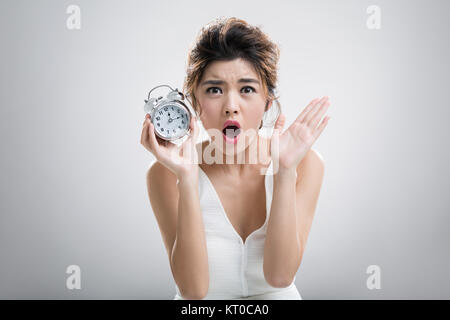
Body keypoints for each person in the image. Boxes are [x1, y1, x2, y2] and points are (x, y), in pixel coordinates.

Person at [141, 17, 331, 300]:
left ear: (267, 102)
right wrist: (188, 178)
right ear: (194, 103)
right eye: (215, 90)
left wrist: (284, 171)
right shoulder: (165, 173)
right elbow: (193, 292)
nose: (231, 107)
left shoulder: (305, 163)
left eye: (247, 89)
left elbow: (280, 276)